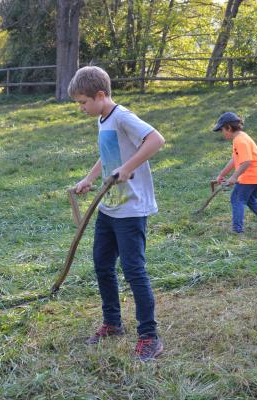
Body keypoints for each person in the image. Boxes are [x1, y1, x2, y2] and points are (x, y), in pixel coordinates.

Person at [69, 66, 165, 361]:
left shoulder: (122, 116)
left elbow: (156, 140)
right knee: (102, 265)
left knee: (134, 271)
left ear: (100, 95)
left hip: (131, 210)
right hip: (109, 207)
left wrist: (128, 168)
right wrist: (89, 178)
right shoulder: (103, 119)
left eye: (83, 102)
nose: (81, 108)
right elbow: (108, 153)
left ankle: (150, 336)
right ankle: (112, 323)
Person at [214, 112, 257, 235]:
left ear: (229, 127)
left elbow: (247, 162)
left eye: (222, 130)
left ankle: (237, 230)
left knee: (236, 199)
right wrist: (222, 174)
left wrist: (234, 177)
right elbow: (234, 159)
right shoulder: (241, 137)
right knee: (251, 200)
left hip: (251, 174)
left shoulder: (240, 140)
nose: (222, 133)